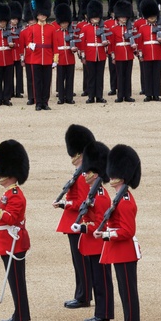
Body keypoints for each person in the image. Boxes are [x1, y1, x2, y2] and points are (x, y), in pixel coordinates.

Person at [95, 144, 142, 321]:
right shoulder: (119, 197)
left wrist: (105, 234)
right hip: (120, 252)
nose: (110, 177)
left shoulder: (125, 200)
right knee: (125, 294)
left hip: (125, 252)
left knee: (128, 294)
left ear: (120, 177)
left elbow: (127, 231)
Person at [0, 139, 31, 321]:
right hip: (6, 241)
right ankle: (21, 313)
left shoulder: (16, 195)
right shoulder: (8, 194)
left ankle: (20, 316)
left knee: (16, 282)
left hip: (14, 242)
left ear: (11, 175)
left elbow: (10, 218)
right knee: (14, 281)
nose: (0, 176)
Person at [71, 140, 112, 321]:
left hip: (98, 244)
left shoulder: (101, 196)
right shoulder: (92, 194)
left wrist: (83, 227)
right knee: (97, 282)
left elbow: (100, 224)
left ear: (95, 174)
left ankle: (103, 315)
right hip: (91, 244)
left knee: (101, 282)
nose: (85, 175)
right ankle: (100, 313)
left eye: (88, 172)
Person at [54, 125, 95, 310]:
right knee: (77, 261)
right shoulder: (79, 172)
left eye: (75, 154)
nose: (73, 158)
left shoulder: (84, 174)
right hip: (73, 222)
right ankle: (81, 293)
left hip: (79, 222)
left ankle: (84, 295)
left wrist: (65, 204)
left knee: (82, 262)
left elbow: (84, 202)